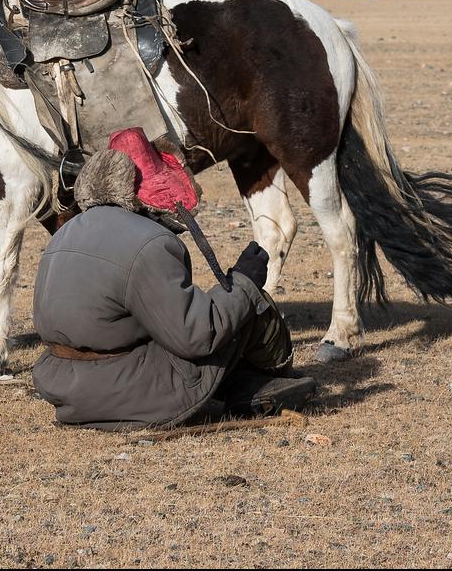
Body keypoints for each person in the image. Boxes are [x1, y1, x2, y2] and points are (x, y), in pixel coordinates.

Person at [31, 128, 316, 430]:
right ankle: (270, 382)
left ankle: (246, 386)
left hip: (68, 394)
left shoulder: (64, 234)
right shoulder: (150, 242)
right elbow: (197, 335)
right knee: (250, 306)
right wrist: (245, 281)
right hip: (131, 396)